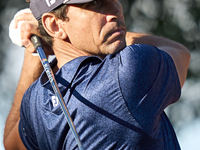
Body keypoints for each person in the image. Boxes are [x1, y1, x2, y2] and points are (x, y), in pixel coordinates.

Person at [4, 0, 190, 149]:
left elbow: (10, 144)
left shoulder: (35, 101)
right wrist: (120, 32)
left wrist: (36, 48)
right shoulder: (129, 70)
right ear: (54, 25)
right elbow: (179, 52)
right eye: (94, 3)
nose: (115, 10)